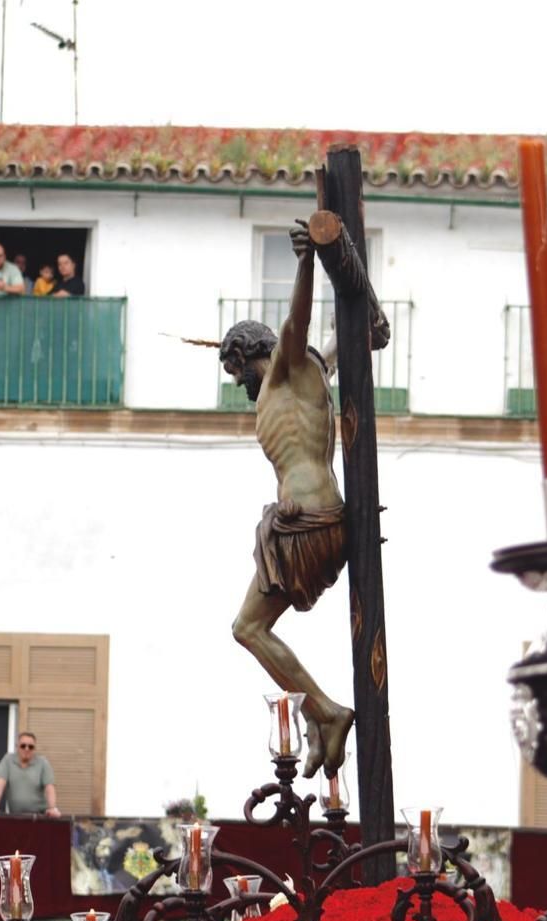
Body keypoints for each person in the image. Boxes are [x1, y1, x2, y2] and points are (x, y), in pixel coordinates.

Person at [221, 221, 354, 779]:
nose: (237, 382)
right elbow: (329, 347)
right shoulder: (307, 374)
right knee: (250, 628)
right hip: (311, 521)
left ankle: (327, 711)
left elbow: (294, 324)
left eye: (236, 369)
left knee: (247, 628)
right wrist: (355, 331)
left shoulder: (284, 368)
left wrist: (305, 262)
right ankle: (324, 714)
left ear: (255, 354)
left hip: (309, 526)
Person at [0, 731, 61, 817]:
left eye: (30, 747)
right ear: (17, 747)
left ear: (34, 749)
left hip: (39, 816)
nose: (27, 749)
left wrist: (52, 808)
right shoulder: (8, 760)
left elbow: (50, 787)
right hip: (15, 816)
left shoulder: (43, 763)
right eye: (23, 746)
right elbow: (0, 785)